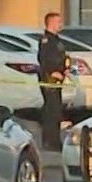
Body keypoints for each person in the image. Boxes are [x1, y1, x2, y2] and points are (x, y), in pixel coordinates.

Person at [36, 12, 69, 151]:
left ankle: (55, 141)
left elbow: (61, 57)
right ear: (50, 23)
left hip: (59, 79)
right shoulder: (46, 40)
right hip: (50, 79)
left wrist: (65, 69)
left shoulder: (57, 40)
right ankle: (50, 142)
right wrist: (53, 72)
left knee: (56, 110)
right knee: (51, 110)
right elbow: (43, 59)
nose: (60, 24)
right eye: (58, 21)